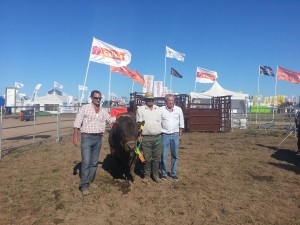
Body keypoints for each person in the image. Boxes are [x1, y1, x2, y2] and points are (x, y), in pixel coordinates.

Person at [73, 90, 115, 196]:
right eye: (96, 98)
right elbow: (77, 122)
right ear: (91, 98)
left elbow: (110, 119)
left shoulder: (102, 111)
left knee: (94, 162)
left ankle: (90, 180)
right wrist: (75, 137)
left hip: (98, 138)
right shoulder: (85, 108)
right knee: (86, 161)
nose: (98, 100)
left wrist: (121, 116)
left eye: (100, 98)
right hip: (87, 137)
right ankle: (84, 186)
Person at [136, 91, 162, 183]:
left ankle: (155, 175)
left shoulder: (159, 109)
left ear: (153, 100)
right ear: (145, 100)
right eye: (148, 99)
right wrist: (139, 134)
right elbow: (140, 124)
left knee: (156, 158)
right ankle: (147, 175)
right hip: (146, 137)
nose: (150, 101)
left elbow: (162, 122)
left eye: (151, 99)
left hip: (158, 137)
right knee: (147, 158)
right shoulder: (141, 110)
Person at [160, 94, 184, 181]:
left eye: (172, 100)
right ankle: (164, 173)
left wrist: (180, 136)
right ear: (166, 101)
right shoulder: (161, 110)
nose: (170, 102)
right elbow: (159, 122)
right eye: (169, 100)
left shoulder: (179, 110)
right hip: (164, 135)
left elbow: (181, 123)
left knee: (175, 155)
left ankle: (173, 173)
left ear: (174, 101)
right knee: (164, 156)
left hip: (175, 135)